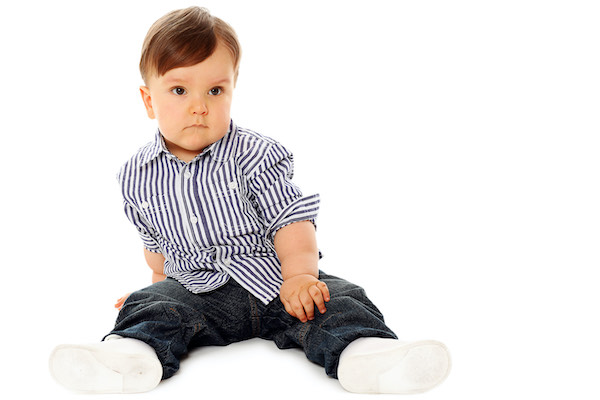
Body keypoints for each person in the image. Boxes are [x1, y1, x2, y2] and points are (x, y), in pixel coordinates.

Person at [49, 7, 451, 394]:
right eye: (179, 90)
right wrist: (156, 293)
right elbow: (156, 250)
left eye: (215, 90)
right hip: (197, 291)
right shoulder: (137, 175)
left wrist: (299, 277)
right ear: (148, 100)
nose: (199, 105)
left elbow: (291, 220)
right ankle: (128, 357)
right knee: (152, 307)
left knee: (339, 299)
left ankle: (368, 355)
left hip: (276, 283)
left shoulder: (255, 154)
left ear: (232, 89)